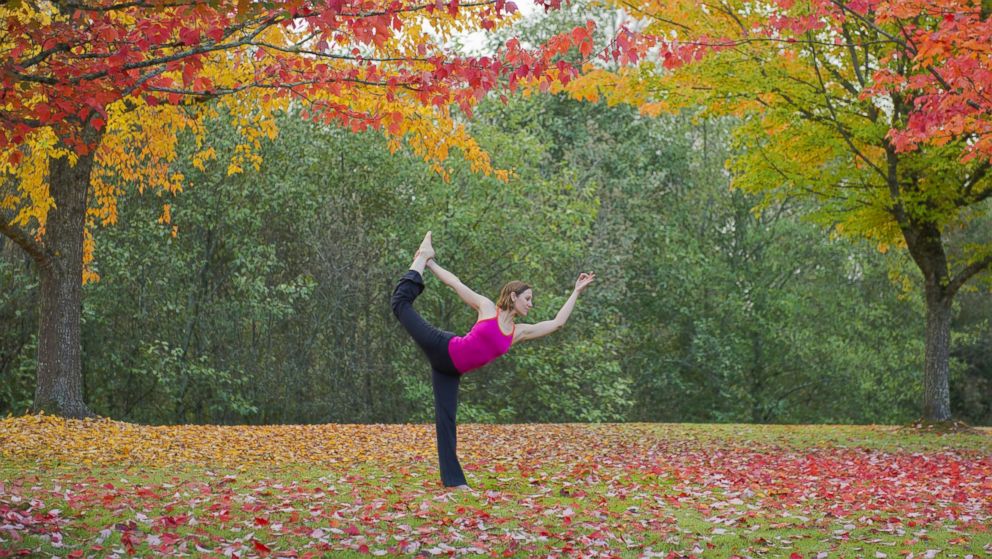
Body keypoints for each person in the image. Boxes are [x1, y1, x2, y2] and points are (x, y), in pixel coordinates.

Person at [390, 231, 596, 490]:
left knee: (447, 421)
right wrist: (431, 264)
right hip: (443, 348)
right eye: (528, 299)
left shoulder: (518, 333)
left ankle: (454, 482)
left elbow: (557, 323)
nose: (531, 304)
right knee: (399, 303)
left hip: (450, 372)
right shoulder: (488, 308)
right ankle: (421, 258)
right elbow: (456, 283)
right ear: (513, 296)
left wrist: (576, 291)